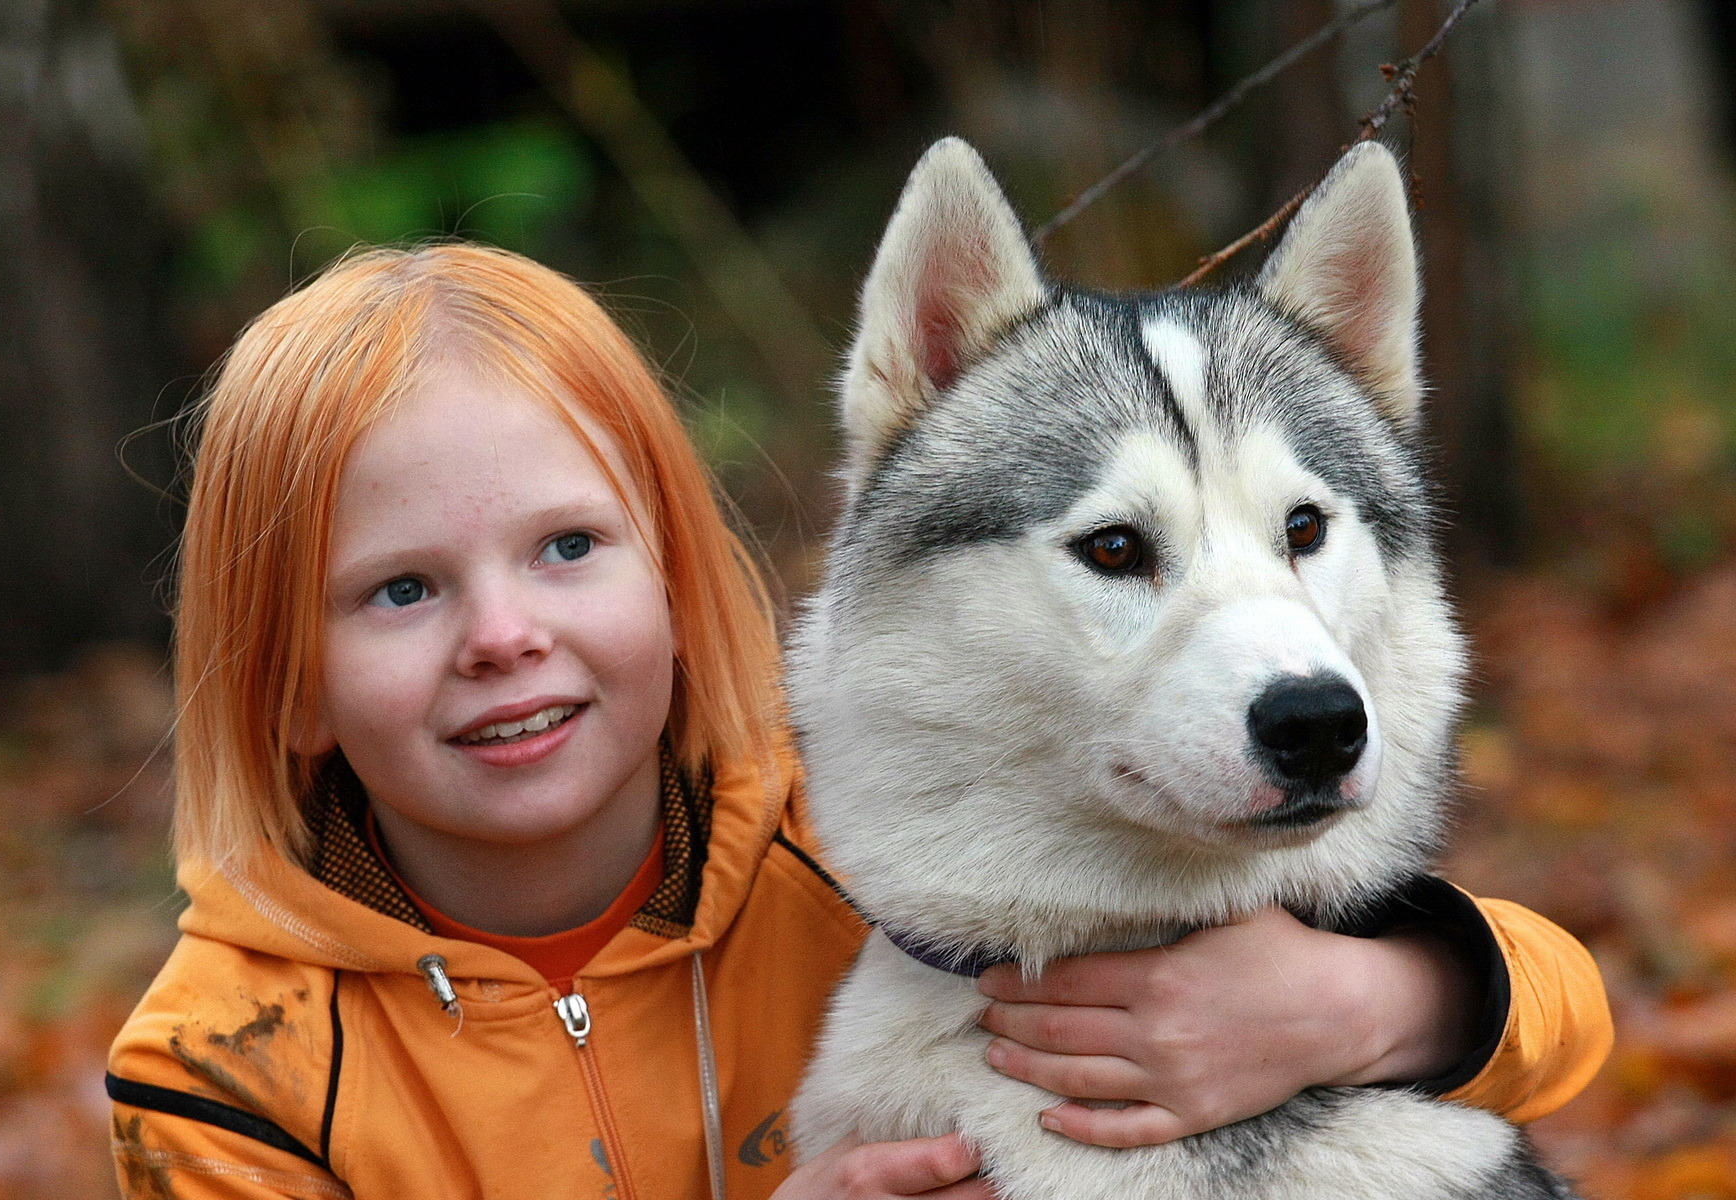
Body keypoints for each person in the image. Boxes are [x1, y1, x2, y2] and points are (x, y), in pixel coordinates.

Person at [106, 244, 1611, 1200]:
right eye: (399, 590)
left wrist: (1377, 1003)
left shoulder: (862, 860)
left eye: (569, 549)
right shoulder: (230, 1067)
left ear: (681, 580)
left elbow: (1562, 1009)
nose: (506, 635)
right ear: (281, 681)